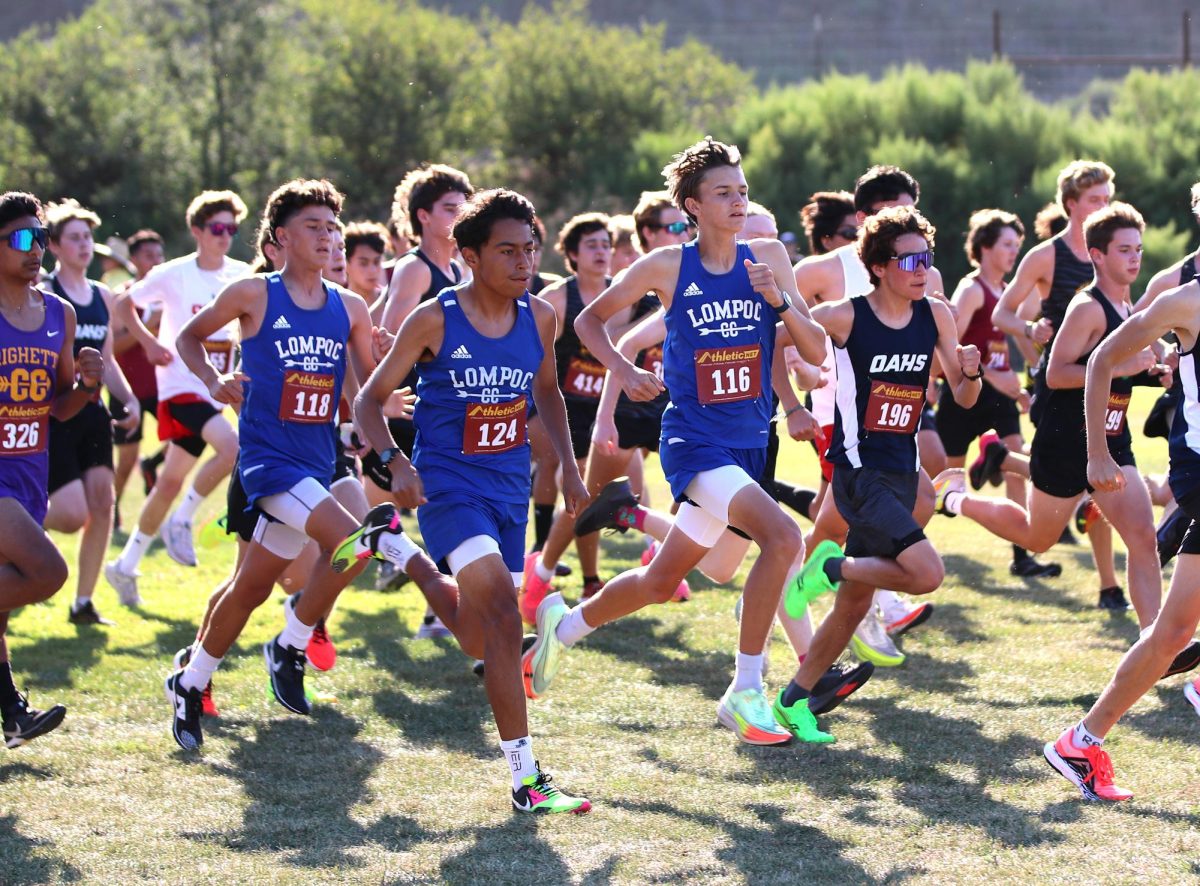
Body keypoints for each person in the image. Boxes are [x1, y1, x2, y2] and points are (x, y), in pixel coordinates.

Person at [525, 137, 829, 746]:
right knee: (784, 536)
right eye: (724, 193)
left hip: (748, 442)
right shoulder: (666, 267)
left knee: (662, 582)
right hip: (694, 443)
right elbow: (589, 321)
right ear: (692, 205)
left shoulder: (767, 255)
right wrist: (625, 368)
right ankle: (746, 690)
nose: (738, 201)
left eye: (742, 190)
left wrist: (779, 301)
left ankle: (560, 628)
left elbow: (816, 347)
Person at [350, 187, 592, 814]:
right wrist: (393, 461)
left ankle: (401, 554)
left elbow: (548, 395)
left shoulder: (541, 316)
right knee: (507, 627)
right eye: (507, 250)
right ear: (470, 255)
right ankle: (527, 778)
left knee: (475, 637)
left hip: (510, 489)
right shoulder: (435, 318)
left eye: (531, 250)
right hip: (450, 489)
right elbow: (368, 402)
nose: (523, 262)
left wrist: (566, 465)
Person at [164, 179, 380, 750]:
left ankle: (189, 683)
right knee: (355, 542)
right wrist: (215, 382)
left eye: (333, 227)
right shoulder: (253, 294)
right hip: (268, 463)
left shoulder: (350, 307)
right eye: (314, 226)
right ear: (281, 237)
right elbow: (190, 338)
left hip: (317, 461)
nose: (328, 236)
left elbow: (362, 386)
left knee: (249, 589)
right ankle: (291, 643)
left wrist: (370, 418)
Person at [780, 205, 982, 742]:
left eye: (927, 258)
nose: (922, 269)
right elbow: (775, 343)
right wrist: (792, 407)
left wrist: (970, 372)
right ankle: (831, 568)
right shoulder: (845, 315)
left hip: (900, 467)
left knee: (853, 608)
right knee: (926, 572)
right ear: (879, 266)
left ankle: (796, 698)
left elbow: (963, 396)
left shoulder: (936, 315)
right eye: (909, 259)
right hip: (857, 471)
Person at [936, 204, 1170, 627]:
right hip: (1066, 440)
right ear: (1097, 255)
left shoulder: (1126, 304)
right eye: (1124, 250)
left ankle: (1154, 641)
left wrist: (1155, 371)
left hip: (1113, 436)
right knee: (1037, 537)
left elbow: (1119, 373)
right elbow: (1056, 373)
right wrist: (1124, 367)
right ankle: (956, 499)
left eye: (1138, 249)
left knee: (1142, 537)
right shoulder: (1088, 308)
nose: (1135, 258)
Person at [1044, 231, 1200, 802]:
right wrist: (1098, 451)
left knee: (1173, 633)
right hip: (1198, 470)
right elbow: (1103, 359)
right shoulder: (1185, 299)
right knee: (1172, 631)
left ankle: (1081, 741)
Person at [106, 191, 249, 600]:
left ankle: (125, 564)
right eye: (217, 228)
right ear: (197, 231)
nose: (225, 236)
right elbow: (123, 303)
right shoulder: (174, 273)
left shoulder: (240, 274)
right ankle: (182, 521)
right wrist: (148, 343)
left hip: (216, 388)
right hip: (181, 385)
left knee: (168, 481)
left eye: (231, 229)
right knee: (231, 447)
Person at [0, 191, 104, 746]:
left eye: (40, 239)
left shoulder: (59, 314)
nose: (35, 249)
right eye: (21, 239)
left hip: (28, 472)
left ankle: (12, 714)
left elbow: (57, 405)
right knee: (47, 574)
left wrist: (88, 387)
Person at [937, 209, 1058, 578]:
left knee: (1017, 458)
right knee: (940, 482)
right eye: (1007, 244)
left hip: (1000, 396)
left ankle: (1022, 555)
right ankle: (900, 545)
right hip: (966, 393)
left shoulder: (1006, 294)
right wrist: (988, 374)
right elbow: (948, 344)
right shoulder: (971, 289)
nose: (1013, 252)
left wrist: (1021, 388)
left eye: (1017, 246)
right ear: (984, 247)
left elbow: (1007, 347)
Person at [40, 200, 139, 626]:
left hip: (95, 415)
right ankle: (17, 526)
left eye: (87, 237)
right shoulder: (44, 293)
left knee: (103, 504)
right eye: (75, 238)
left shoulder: (103, 295)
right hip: (55, 414)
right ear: (55, 246)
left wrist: (130, 399)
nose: (84, 245)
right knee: (68, 515)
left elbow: (108, 360)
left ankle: (83, 603)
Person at [519, 212, 615, 613]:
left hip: (607, 411)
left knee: (597, 495)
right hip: (557, 410)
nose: (602, 252)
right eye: (591, 245)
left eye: (606, 244)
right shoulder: (558, 299)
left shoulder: (622, 293)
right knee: (579, 487)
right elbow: (529, 358)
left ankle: (570, 573)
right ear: (572, 254)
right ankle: (548, 568)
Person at [110, 230, 167, 529]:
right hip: (127, 390)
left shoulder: (170, 294)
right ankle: (113, 506)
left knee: (185, 439)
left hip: (163, 387)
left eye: (160, 255)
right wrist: (146, 325)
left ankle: (153, 464)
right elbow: (114, 347)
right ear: (133, 260)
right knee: (125, 461)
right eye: (149, 256)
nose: (156, 262)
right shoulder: (123, 297)